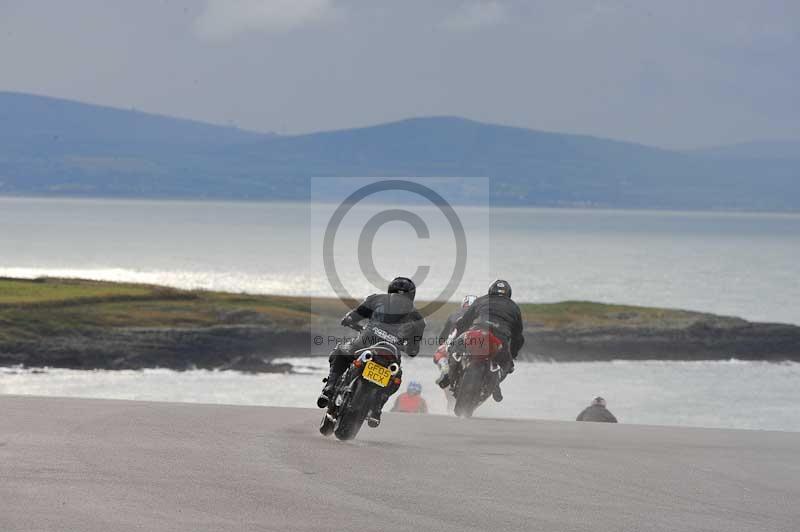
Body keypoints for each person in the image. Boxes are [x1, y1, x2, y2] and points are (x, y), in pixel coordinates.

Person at [317, 276, 426, 428]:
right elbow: (414, 350)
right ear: (412, 295)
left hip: (365, 342)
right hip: (391, 353)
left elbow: (353, 316)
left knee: (341, 352)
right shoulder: (418, 319)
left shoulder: (376, 299)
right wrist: (406, 347)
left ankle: (329, 387)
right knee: (396, 376)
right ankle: (377, 408)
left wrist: (349, 320)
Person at [446, 280, 524, 403]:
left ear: (490, 290)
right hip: (500, 340)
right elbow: (518, 336)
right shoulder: (514, 307)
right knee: (508, 366)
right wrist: (512, 355)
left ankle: (449, 375)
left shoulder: (481, 300)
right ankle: (495, 383)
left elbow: (464, 321)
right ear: (508, 294)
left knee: (454, 349)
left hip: (477, 332)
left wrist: (458, 337)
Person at [433, 294, 477, 387]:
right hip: (476, 345)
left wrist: (442, 342)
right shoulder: (481, 315)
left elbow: (444, 334)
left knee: (438, 353)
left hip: (456, 344)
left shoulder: (455, 314)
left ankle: (445, 369)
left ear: (464, 304)